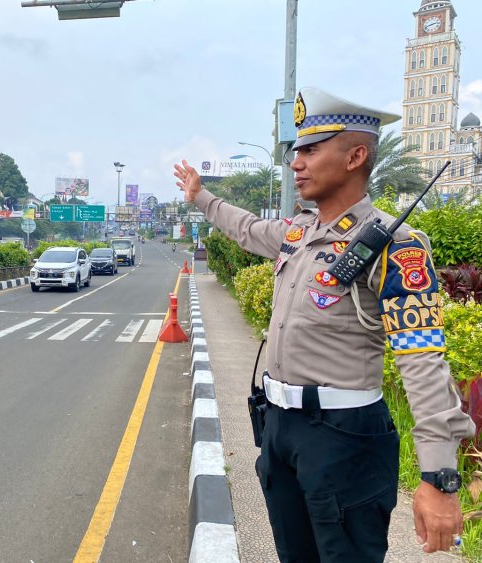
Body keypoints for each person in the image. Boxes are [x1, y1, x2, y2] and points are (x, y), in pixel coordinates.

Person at [174, 87, 476, 562]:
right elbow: (248, 228)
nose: (297, 162)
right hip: (280, 430)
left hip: (345, 436)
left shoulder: (395, 245)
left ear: (356, 156)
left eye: (312, 150)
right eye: (297, 150)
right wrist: (201, 197)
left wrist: (439, 477)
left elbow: (422, 359)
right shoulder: (300, 232)